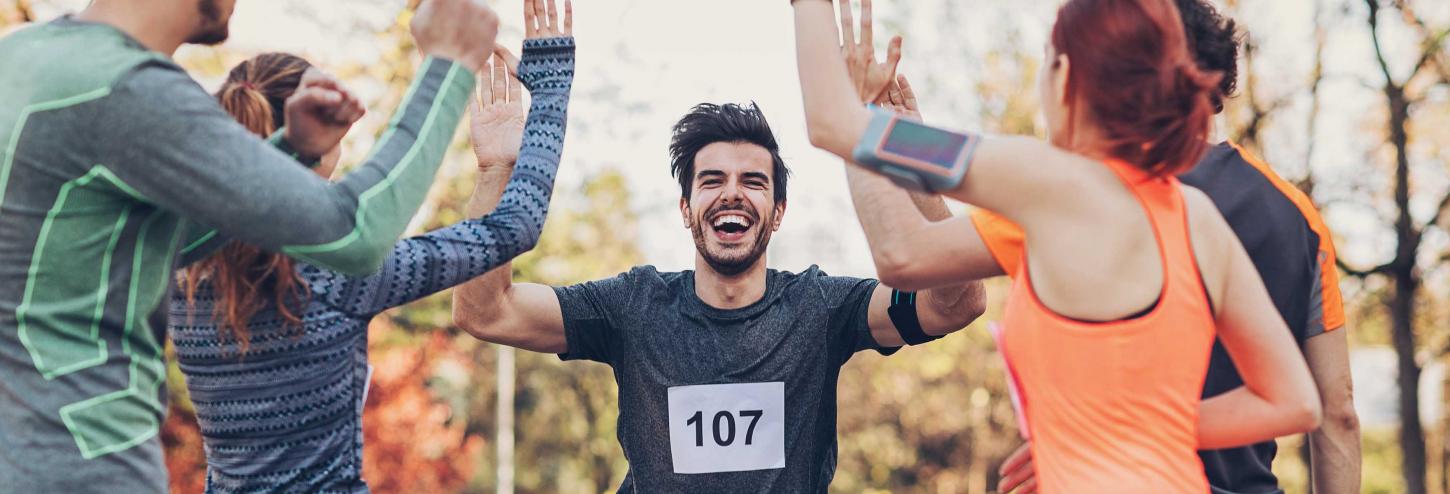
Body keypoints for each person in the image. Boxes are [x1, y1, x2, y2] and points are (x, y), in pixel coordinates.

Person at [792, 0, 1321, 491]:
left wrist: (856, 89)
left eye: (1045, 60)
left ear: (1066, 76)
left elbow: (848, 142)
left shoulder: (1043, 179)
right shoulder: (1196, 216)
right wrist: (1127, 427)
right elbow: (1294, 401)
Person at [0, 0, 497, 491]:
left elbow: (155, 240)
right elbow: (355, 233)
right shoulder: (130, 89)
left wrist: (289, 154)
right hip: (85, 467)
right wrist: (448, 66)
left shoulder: (22, 59)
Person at [451, 97, 986, 490]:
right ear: (686, 209)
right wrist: (497, 170)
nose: (732, 192)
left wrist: (916, 155)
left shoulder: (821, 309)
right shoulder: (633, 307)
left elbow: (958, 302)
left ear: (777, 213)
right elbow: (484, 309)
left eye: (753, 181)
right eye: (711, 180)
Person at [168, 4, 574, 491]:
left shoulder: (179, 272)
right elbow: (516, 226)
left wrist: (492, 165)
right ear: (315, 138)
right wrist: (550, 94)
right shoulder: (337, 269)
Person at [993, 1, 1360, 492]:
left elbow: (909, 256)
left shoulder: (1093, 188)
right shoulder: (1299, 215)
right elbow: (1336, 413)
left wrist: (876, 123)